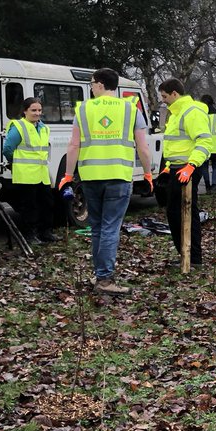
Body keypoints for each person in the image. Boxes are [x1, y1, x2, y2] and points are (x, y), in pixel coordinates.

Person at [59, 68, 153, 296]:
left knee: (98, 227)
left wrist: (68, 176)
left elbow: (73, 146)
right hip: (119, 177)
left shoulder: (83, 109)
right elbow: (142, 146)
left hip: (91, 177)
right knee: (110, 227)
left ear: (100, 85)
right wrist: (148, 173)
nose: (91, 87)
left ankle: (100, 274)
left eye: (92, 83)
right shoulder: (131, 109)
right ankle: (105, 279)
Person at [159, 79, 211, 268]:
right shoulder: (175, 113)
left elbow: (204, 142)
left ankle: (192, 257)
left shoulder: (191, 112)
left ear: (175, 94)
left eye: (165, 96)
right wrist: (167, 167)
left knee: (185, 213)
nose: (163, 100)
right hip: (176, 168)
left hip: (187, 168)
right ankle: (185, 254)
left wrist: (191, 165)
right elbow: (175, 144)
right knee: (174, 213)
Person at [2, 98, 55, 244]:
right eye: (33, 110)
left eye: (39, 110)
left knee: (47, 204)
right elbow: (7, 149)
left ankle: (45, 233)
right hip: (25, 174)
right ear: (25, 111)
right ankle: (30, 235)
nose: (37, 113)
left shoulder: (44, 128)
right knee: (29, 207)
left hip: (42, 173)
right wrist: (17, 162)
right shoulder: (19, 127)